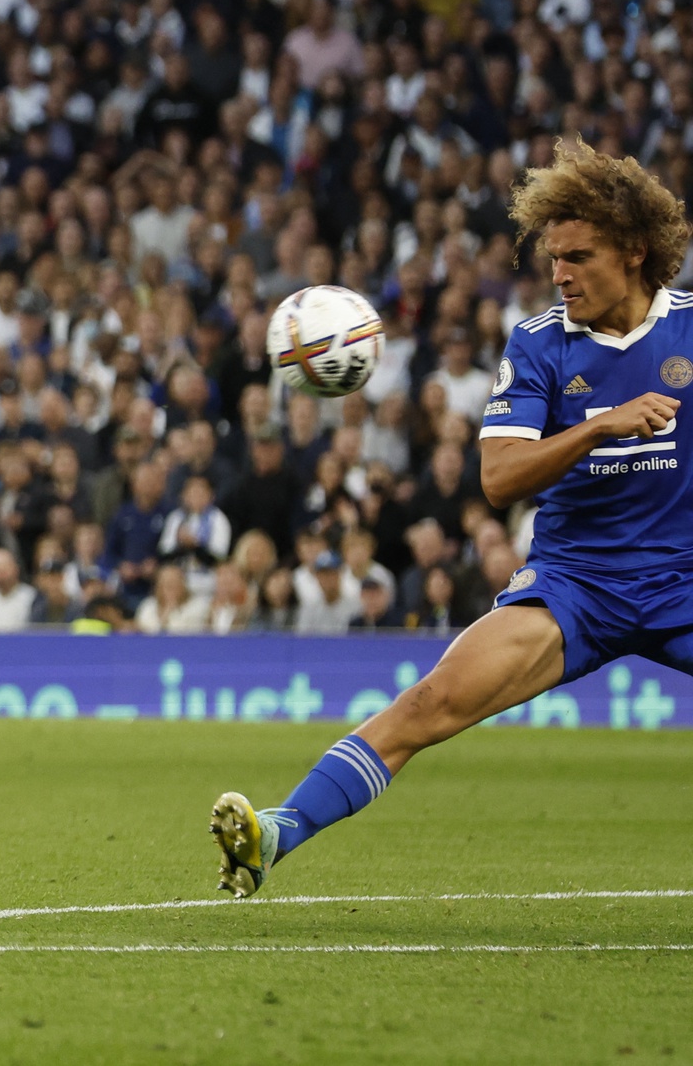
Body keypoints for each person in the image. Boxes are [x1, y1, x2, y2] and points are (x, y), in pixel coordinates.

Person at [212, 140, 693, 898]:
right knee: (428, 702)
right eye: (552, 258)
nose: (560, 275)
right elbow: (499, 477)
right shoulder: (538, 344)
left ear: (636, 251)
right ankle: (276, 833)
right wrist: (600, 426)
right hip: (575, 589)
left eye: (578, 257)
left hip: (682, 579)